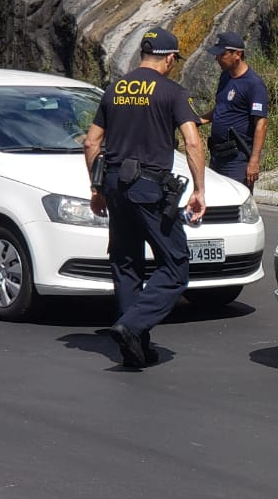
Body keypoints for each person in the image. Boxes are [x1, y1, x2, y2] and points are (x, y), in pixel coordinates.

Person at [84, 26, 206, 368]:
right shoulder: (172, 92)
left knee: (125, 264)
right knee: (176, 265)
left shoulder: (115, 89)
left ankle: (133, 346)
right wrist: (199, 190)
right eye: (174, 60)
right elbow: (192, 142)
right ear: (169, 58)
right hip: (149, 189)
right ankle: (132, 325)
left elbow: (92, 142)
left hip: (114, 187)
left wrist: (96, 189)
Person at [198, 30, 269, 191]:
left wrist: (254, 160)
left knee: (236, 204)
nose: (217, 58)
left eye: (221, 55)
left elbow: (261, 124)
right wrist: (200, 120)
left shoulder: (253, 84)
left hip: (237, 159)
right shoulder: (225, 77)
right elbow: (222, 108)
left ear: (237, 54)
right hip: (217, 155)